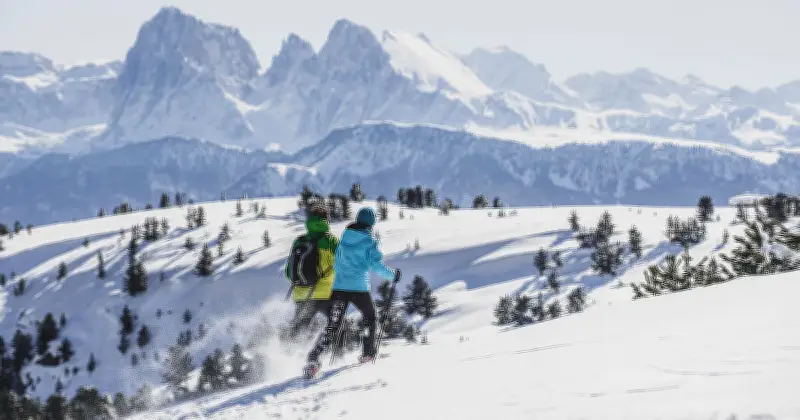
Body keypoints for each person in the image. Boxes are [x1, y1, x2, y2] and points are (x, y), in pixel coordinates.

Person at [304, 207, 401, 376]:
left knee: (333, 325)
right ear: (371, 224)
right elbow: (377, 266)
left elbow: (336, 263)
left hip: (339, 288)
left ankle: (313, 358)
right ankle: (367, 353)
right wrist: (393, 276)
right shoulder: (370, 242)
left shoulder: (344, 239)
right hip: (359, 289)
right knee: (370, 317)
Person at [284, 205, 339, 342]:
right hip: (326, 294)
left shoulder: (299, 241)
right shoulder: (331, 241)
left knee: (298, 330)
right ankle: (337, 357)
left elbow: (288, 272)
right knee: (337, 324)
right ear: (326, 220)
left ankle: (286, 356)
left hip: (301, 294)